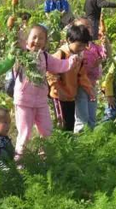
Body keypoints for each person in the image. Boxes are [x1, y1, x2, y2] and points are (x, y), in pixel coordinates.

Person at [13, 25, 79, 158]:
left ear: (45, 42)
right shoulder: (22, 55)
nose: (37, 41)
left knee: (47, 130)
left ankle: (46, 158)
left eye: (41, 38)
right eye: (34, 37)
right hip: (24, 101)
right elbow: (15, 52)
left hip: (41, 102)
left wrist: (71, 61)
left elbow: (60, 65)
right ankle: (20, 162)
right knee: (25, 133)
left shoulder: (45, 57)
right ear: (27, 40)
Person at [48, 25, 94, 132]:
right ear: (69, 40)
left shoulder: (79, 57)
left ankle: (70, 146)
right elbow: (51, 74)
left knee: (70, 123)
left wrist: (89, 90)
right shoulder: (61, 54)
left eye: (84, 45)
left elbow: (81, 76)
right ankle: (62, 146)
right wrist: (58, 90)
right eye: (79, 45)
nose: (81, 48)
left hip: (71, 95)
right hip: (59, 96)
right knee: (62, 124)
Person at [71, 18, 111, 132]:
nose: (86, 29)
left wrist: (105, 43)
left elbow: (105, 55)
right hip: (80, 85)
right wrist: (93, 65)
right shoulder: (77, 48)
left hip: (92, 84)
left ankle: (92, 137)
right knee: (82, 115)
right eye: (81, 27)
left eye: (88, 27)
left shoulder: (94, 46)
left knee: (92, 113)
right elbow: (77, 68)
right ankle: (81, 137)